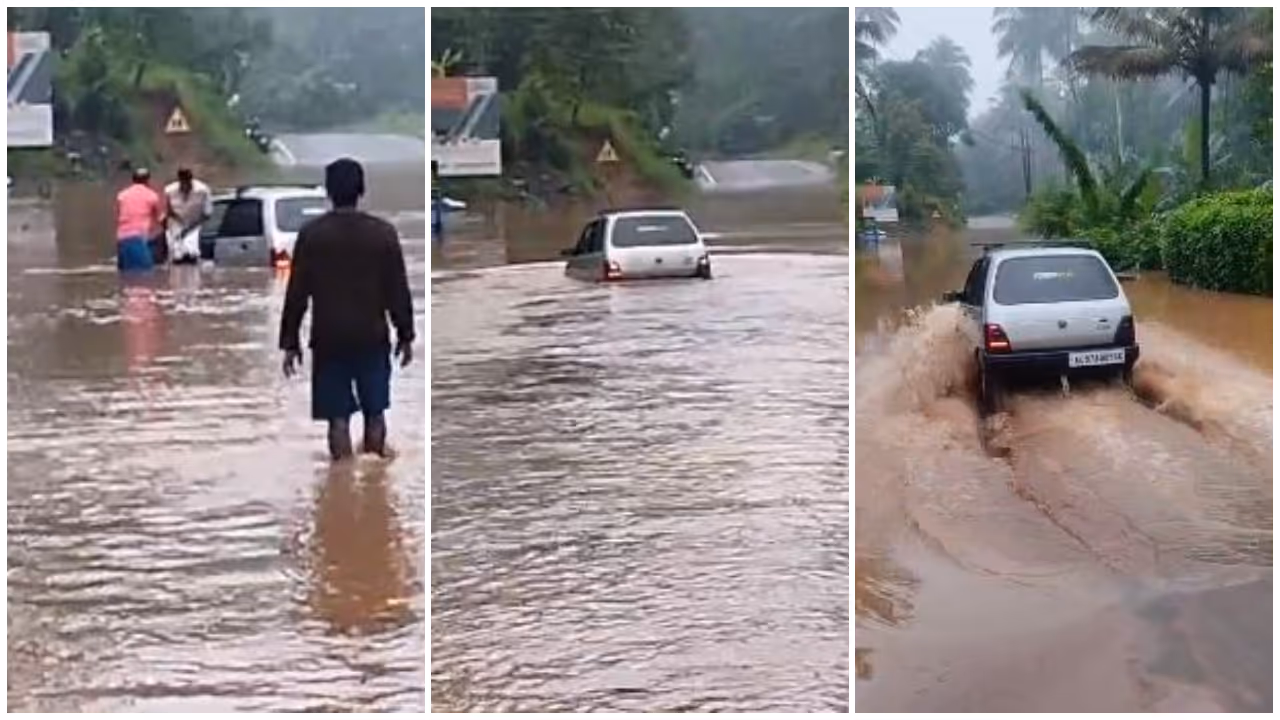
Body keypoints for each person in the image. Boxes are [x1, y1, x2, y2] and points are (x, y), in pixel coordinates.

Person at [279, 158, 415, 461]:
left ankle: (340, 478)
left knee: (337, 418)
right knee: (375, 412)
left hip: (328, 339)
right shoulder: (382, 233)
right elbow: (397, 289)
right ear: (361, 189)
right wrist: (406, 334)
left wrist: (290, 342)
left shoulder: (312, 235)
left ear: (329, 191)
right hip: (372, 337)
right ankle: (373, 478)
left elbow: (297, 293)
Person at [115, 168, 164, 273]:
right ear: (148, 180)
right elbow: (160, 220)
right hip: (137, 239)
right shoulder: (152, 196)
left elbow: (120, 216)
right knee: (143, 276)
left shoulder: (122, 195)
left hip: (121, 239)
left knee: (124, 274)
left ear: (133, 180)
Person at [163, 167, 213, 264]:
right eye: (183, 181)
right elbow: (166, 210)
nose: (185, 185)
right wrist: (179, 222)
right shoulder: (169, 191)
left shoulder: (203, 190)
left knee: (193, 256)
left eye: (188, 181)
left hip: (196, 228)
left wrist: (190, 227)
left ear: (191, 179)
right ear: (179, 180)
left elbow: (207, 214)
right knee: (175, 258)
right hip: (175, 229)